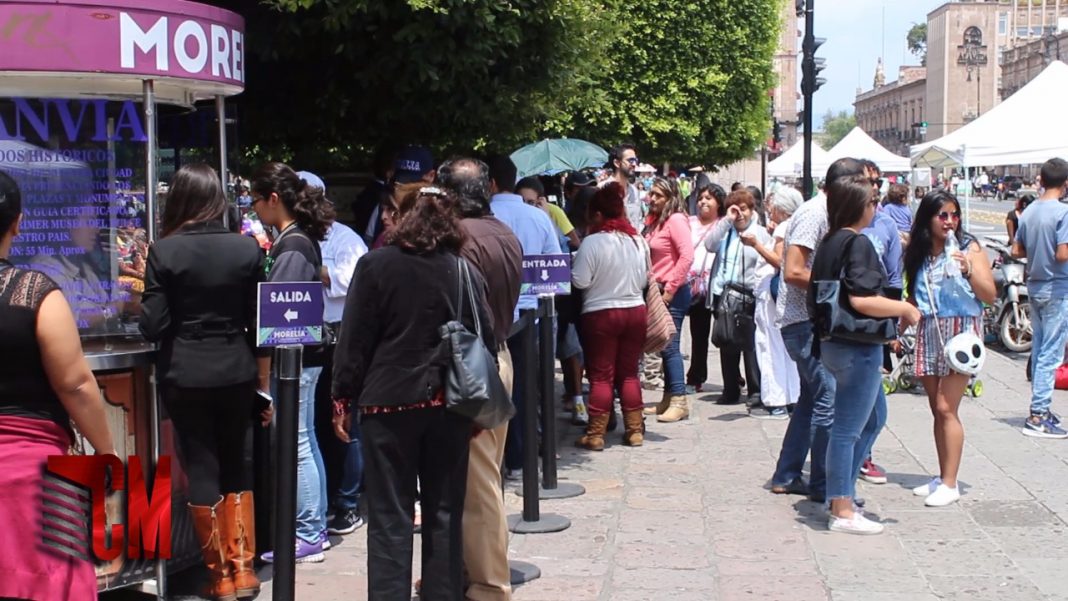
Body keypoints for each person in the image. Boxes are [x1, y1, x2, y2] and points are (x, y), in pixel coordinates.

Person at [332, 186, 493, 601]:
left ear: (400, 217)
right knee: (444, 511)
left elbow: (354, 339)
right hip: (448, 403)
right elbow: (486, 337)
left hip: (388, 402)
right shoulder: (463, 270)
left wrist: (342, 398)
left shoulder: (375, 266)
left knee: (389, 515)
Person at [140, 164, 268, 599]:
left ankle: (219, 576)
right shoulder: (246, 249)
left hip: (186, 369)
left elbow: (152, 324)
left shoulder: (165, 252)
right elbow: (260, 321)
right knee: (237, 461)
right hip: (237, 366)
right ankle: (245, 570)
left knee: (202, 464)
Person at [0, 169, 116, 601]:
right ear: (18, 222)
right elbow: (75, 385)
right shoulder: (34, 293)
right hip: (32, 477)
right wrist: (106, 453)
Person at [810, 174, 919, 535]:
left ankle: (841, 493)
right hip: (857, 346)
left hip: (833, 344)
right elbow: (860, 299)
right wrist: (902, 308)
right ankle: (841, 505)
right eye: (873, 202)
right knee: (847, 430)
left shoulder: (829, 242)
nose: (877, 207)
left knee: (872, 418)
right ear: (859, 205)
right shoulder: (857, 244)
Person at [437, 157, 523, 601]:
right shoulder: (504, 232)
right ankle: (473, 571)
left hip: (475, 365)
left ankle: (490, 584)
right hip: (497, 357)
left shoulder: (461, 239)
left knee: (479, 482)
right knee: (483, 475)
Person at [769, 158, 867, 502]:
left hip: (807, 322)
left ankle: (787, 473)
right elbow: (793, 270)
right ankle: (826, 485)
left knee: (811, 400)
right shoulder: (815, 214)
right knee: (828, 397)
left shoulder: (828, 213)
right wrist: (839, 286)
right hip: (801, 322)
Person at [252, 162, 336, 563]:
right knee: (306, 439)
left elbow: (277, 314)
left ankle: (308, 531)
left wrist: (264, 377)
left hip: (296, 360)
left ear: (273, 199)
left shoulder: (292, 245)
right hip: (305, 357)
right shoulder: (297, 241)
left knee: (298, 440)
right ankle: (312, 527)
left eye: (255, 200)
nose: (253, 210)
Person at [903, 190, 995, 506]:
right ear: (928, 217)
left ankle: (951, 483)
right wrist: (897, 328)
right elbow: (914, 296)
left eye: (954, 214)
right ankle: (942, 476)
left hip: (961, 331)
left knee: (946, 407)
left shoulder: (969, 248)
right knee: (936, 408)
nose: (950, 221)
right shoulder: (918, 252)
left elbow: (990, 294)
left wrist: (969, 269)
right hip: (929, 327)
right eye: (943, 215)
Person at [298, 171, 370, 538]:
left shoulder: (346, 238)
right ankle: (323, 501)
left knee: (345, 424)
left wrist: (317, 271)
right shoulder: (297, 239)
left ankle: (347, 503)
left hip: (340, 337)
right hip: (309, 339)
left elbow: (354, 280)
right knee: (315, 427)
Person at [487, 155, 562, 479]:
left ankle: (496, 459)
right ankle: (521, 459)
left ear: (490, 182)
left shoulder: (483, 216)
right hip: (530, 315)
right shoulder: (537, 217)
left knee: (487, 386)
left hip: (490, 316)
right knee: (525, 388)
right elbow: (556, 267)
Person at [572, 182, 649, 449]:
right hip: (635, 311)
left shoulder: (592, 242)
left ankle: (595, 434)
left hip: (601, 314)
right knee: (629, 374)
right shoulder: (638, 241)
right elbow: (644, 279)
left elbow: (580, 281)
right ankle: (635, 430)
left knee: (601, 376)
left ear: (597, 215)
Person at [1012, 158, 1068, 438]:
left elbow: (1017, 250)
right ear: (1066, 184)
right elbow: (1063, 254)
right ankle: (1038, 414)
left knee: (1042, 348)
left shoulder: (1030, 211)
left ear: (1042, 180)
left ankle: (1040, 408)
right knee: (1051, 353)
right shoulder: (1063, 213)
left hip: (1034, 285)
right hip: (1058, 287)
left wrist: (1037, 252)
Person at [702, 188, 771, 407]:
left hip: (748, 294)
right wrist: (726, 220)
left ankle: (755, 390)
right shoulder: (726, 230)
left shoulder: (760, 233)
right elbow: (709, 245)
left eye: (743, 209)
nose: (739, 214)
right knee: (726, 340)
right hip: (724, 293)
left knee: (750, 345)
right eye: (735, 210)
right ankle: (730, 388)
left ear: (752, 210)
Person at [642, 177, 694, 422]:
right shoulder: (656, 222)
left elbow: (687, 256)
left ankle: (679, 400)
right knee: (663, 345)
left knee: (670, 345)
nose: (652, 199)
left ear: (670, 198)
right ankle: (668, 398)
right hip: (658, 289)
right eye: (651, 194)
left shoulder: (676, 220)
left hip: (672, 291)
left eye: (658, 196)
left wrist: (670, 289)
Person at [749, 186, 803, 419]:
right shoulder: (796, 225)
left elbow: (779, 260)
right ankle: (791, 396)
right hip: (784, 294)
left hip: (770, 293)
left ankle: (775, 399)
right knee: (782, 347)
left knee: (769, 345)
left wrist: (756, 245)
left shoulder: (783, 227)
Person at [684, 182, 725, 393]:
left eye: (709, 198)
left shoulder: (723, 226)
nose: (703, 202)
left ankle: (696, 376)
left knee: (702, 334)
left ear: (719, 203)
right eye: (701, 198)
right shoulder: (688, 223)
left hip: (709, 287)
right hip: (684, 283)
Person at [605, 143, 644, 231]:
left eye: (635, 160)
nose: (634, 164)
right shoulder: (603, 189)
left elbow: (638, 221)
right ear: (617, 163)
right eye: (630, 160)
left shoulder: (634, 191)